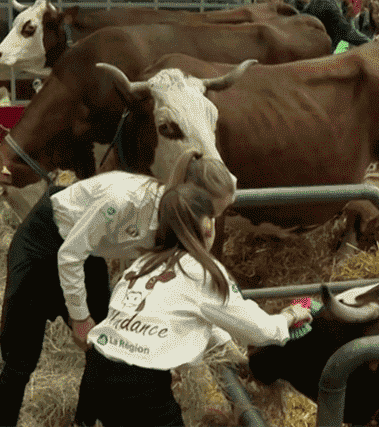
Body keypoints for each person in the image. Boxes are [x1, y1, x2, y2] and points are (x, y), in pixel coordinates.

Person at [0, 152, 235, 426]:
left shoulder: (174, 221)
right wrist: (80, 317)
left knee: (104, 346)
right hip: (44, 245)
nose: (210, 226)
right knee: (22, 358)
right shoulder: (124, 201)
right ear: (191, 196)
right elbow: (69, 255)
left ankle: (83, 421)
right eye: (210, 214)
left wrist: (223, 338)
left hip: (87, 252)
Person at [73, 153, 313, 426]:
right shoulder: (203, 272)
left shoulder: (142, 262)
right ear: (207, 226)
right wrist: (292, 314)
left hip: (95, 369)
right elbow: (262, 331)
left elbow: (182, 315)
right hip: (138, 388)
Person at [303, 0, 371, 52]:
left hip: (315, 51)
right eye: (364, 6)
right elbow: (346, 32)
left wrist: (350, 15)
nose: (364, 10)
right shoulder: (328, 4)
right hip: (309, 52)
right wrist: (372, 43)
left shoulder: (343, 6)